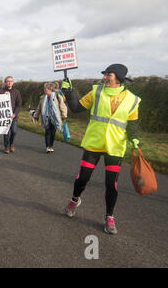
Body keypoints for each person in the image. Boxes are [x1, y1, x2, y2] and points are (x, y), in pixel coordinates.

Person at [61, 64, 141, 235]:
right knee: (83, 178)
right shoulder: (96, 92)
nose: (104, 77)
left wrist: (134, 138)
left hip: (115, 146)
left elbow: (132, 123)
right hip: (94, 143)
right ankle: (74, 200)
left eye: (108, 75)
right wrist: (68, 91)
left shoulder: (132, 100)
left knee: (111, 184)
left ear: (118, 77)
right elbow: (76, 108)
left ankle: (109, 217)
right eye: (105, 75)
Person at [33, 83, 68, 153]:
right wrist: (36, 115)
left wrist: (64, 115)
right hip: (46, 118)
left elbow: (62, 106)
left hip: (55, 118)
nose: (44, 90)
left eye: (46, 89)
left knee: (53, 132)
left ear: (50, 89)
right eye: (44, 89)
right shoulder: (42, 97)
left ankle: (51, 146)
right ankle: (47, 146)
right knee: (47, 131)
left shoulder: (57, 96)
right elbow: (39, 107)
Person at [0, 76, 22, 154]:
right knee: (6, 132)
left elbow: (19, 105)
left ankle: (11, 143)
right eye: (8, 81)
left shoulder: (16, 92)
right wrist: (2, 96)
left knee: (14, 131)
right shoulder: (1, 91)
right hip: (4, 116)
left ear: (13, 82)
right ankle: (6, 147)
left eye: (11, 81)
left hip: (13, 116)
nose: (9, 82)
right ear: (5, 82)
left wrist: (15, 113)